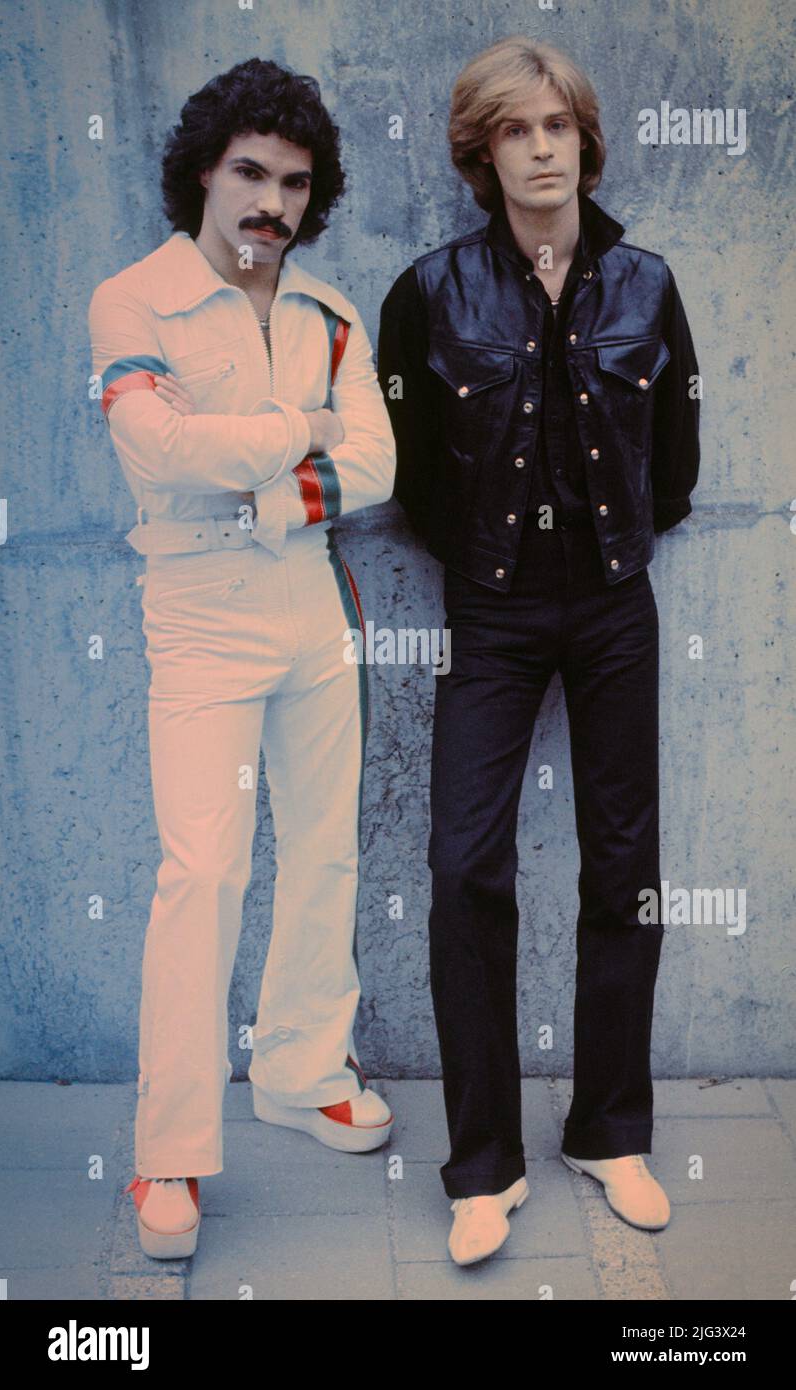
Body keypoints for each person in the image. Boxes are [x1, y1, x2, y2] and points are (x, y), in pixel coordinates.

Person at [377, 35, 700, 1266]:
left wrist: (601, 541)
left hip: (615, 599)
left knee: (626, 866)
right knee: (465, 868)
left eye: (559, 126)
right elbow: (412, 474)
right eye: (517, 130)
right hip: (495, 606)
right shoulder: (433, 289)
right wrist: (492, 555)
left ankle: (608, 1132)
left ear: (586, 142)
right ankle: (482, 1165)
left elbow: (676, 463)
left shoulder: (647, 285)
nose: (543, 148)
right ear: (483, 151)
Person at [88, 57, 396, 1260]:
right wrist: (298, 431)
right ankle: (169, 1148)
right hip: (199, 610)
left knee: (324, 843)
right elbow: (154, 453)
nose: (272, 203)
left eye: (295, 184)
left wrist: (273, 482)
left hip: (310, 597)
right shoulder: (134, 300)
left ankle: (303, 1069)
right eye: (251, 174)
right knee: (203, 871)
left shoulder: (329, 311)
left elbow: (374, 465)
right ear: (206, 174)